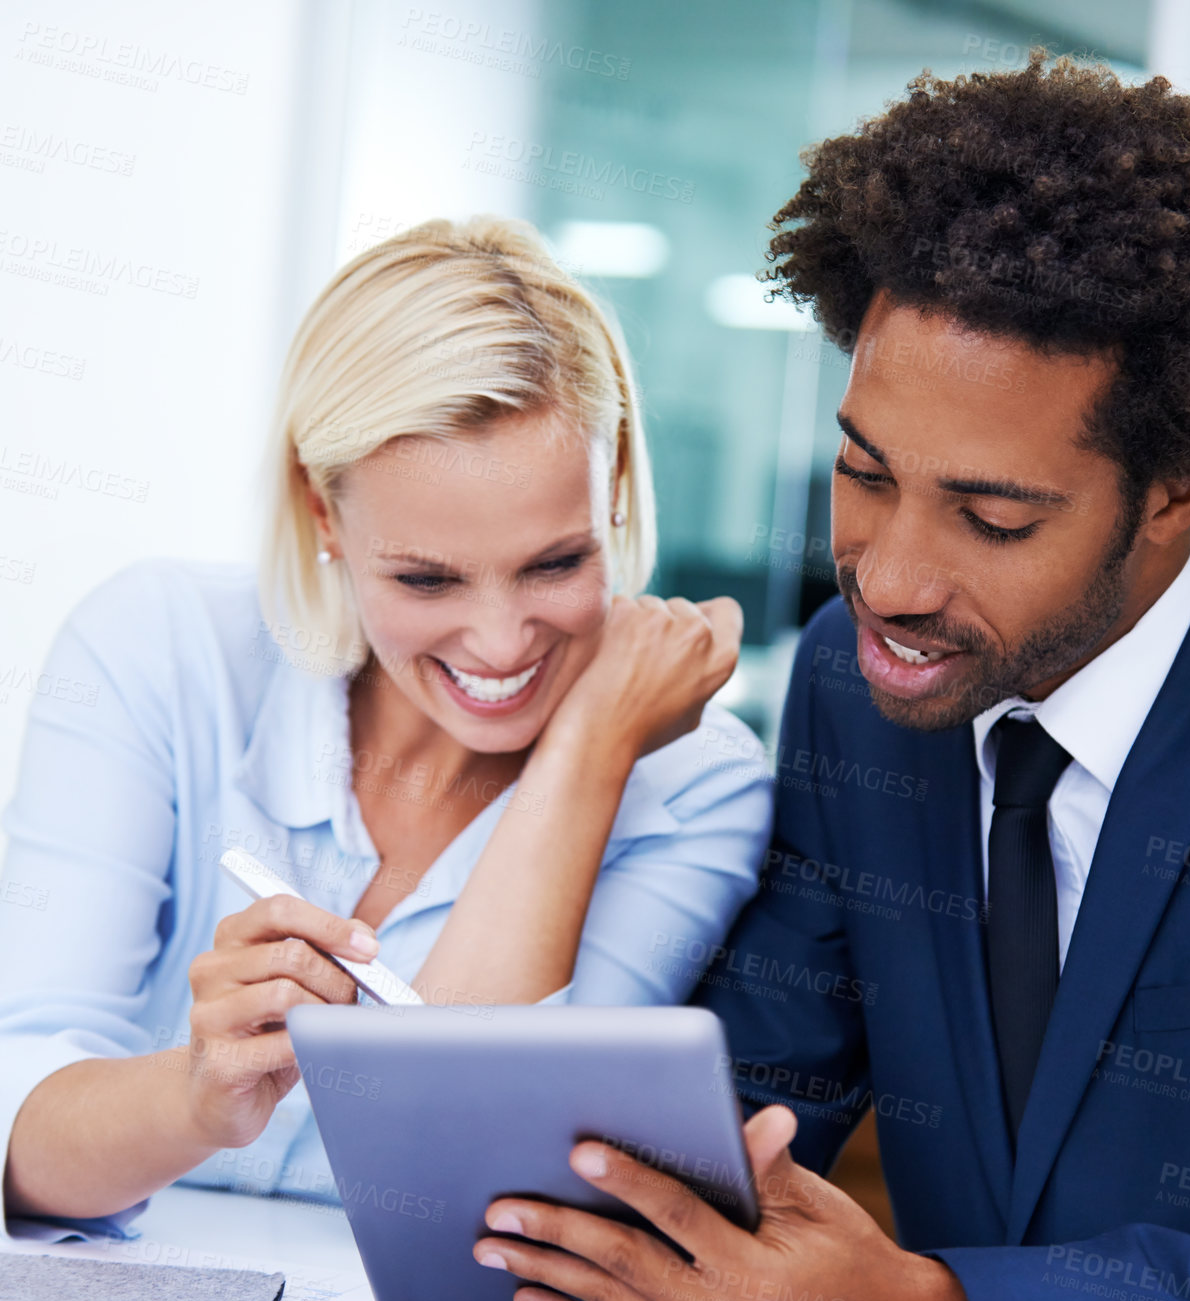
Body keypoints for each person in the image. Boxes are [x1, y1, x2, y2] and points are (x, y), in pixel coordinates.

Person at [461, 55, 1190, 1301]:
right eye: (861, 473)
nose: (888, 578)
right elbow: (746, 1109)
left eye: (993, 518)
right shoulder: (860, 690)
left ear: (1177, 485)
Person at [0, 216, 772, 1240]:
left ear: (616, 483)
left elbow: (474, 1186)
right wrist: (194, 1098)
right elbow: (21, 1137)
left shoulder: (698, 782)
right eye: (425, 578)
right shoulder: (157, 648)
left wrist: (586, 752)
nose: (499, 644)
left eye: (554, 564)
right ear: (321, 513)